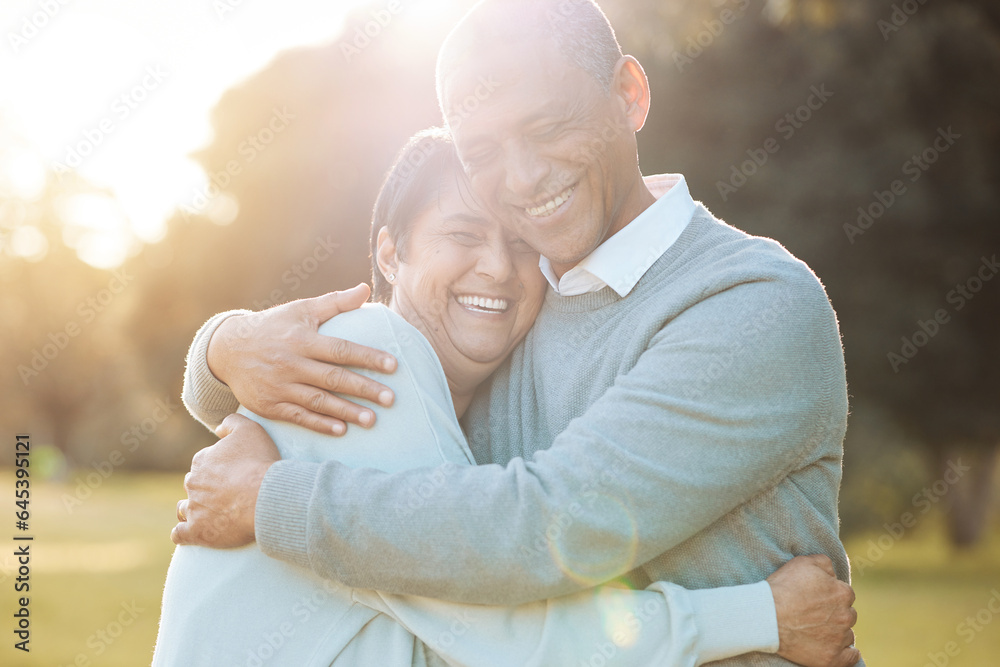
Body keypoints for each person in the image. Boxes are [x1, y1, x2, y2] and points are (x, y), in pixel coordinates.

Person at [175, 1, 862, 665]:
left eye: (550, 125)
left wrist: (269, 499)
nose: (524, 176)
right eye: (482, 150)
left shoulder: (752, 304)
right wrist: (222, 350)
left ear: (628, 94)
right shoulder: (509, 321)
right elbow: (353, 408)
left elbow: (546, 526)